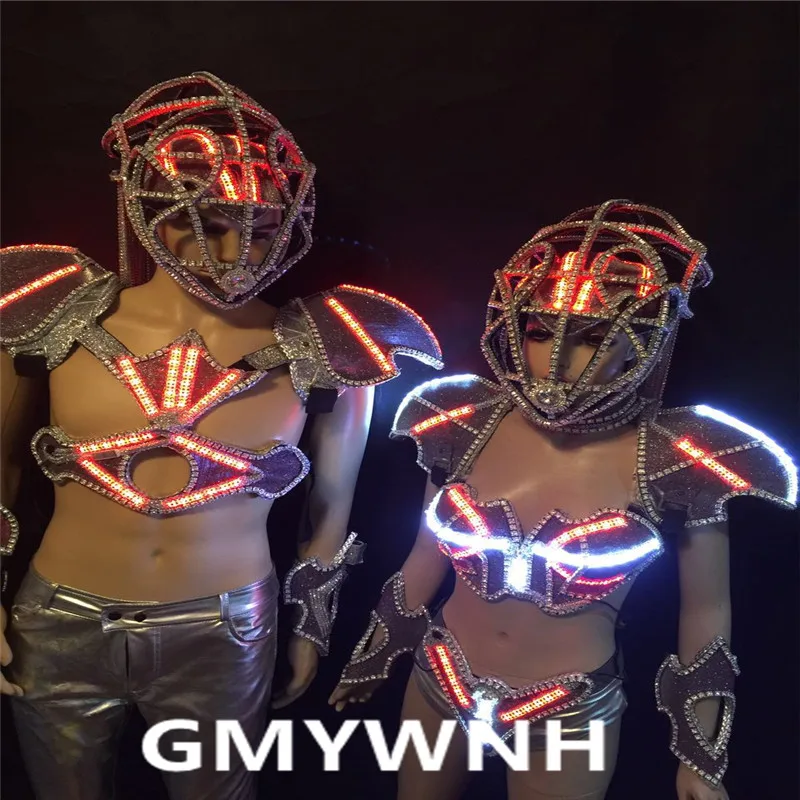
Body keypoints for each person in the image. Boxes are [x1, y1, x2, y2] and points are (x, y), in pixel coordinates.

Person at [0, 71, 442, 800]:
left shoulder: (331, 346)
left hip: (224, 623)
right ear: (145, 208)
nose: (237, 253)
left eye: (261, 231)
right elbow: (4, 469)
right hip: (58, 616)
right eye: (207, 224)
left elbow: (331, 511)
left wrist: (310, 627)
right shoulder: (49, 313)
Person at [329, 200, 797, 800]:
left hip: (569, 708)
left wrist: (701, 758)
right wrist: (376, 652)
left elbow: (706, 615)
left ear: (644, 343)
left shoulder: (684, 459)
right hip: (439, 676)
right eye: (539, 331)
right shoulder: (458, 418)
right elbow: (425, 554)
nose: (558, 359)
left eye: (595, 337)